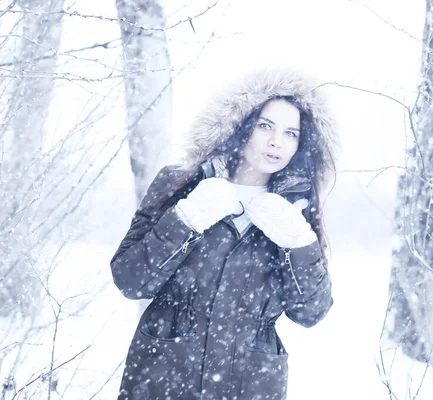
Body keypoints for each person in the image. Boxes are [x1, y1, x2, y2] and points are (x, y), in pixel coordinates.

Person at [110, 69, 337, 400]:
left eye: (291, 133)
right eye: (265, 126)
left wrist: (297, 242)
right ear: (240, 124)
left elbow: (311, 312)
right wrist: (187, 218)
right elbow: (130, 279)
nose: (276, 141)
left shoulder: (296, 207)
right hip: (163, 377)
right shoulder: (181, 183)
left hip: (251, 384)